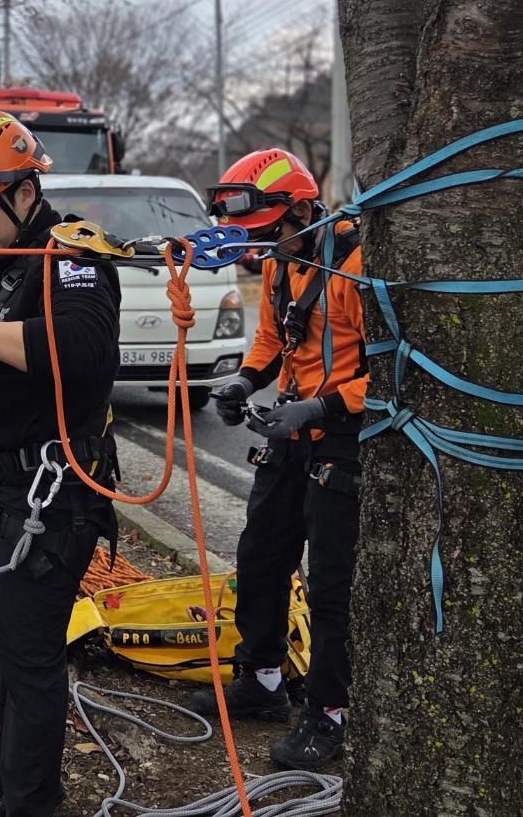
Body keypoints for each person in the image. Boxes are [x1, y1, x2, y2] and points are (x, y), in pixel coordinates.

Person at [0, 111, 122, 817]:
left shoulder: (69, 257)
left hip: (52, 489)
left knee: (32, 647)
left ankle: (32, 798)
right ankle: (18, 760)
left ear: (22, 192)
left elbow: (82, 348)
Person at [190, 148, 367, 772]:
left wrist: (321, 411)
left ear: (301, 212)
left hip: (345, 434)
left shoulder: (357, 266)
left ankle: (328, 714)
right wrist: (244, 381)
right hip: (294, 425)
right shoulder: (282, 262)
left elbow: (392, 372)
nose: (263, 250)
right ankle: (261, 679)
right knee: (261, 555)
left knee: (331, 585)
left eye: (269, 236)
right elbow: (274, 332)